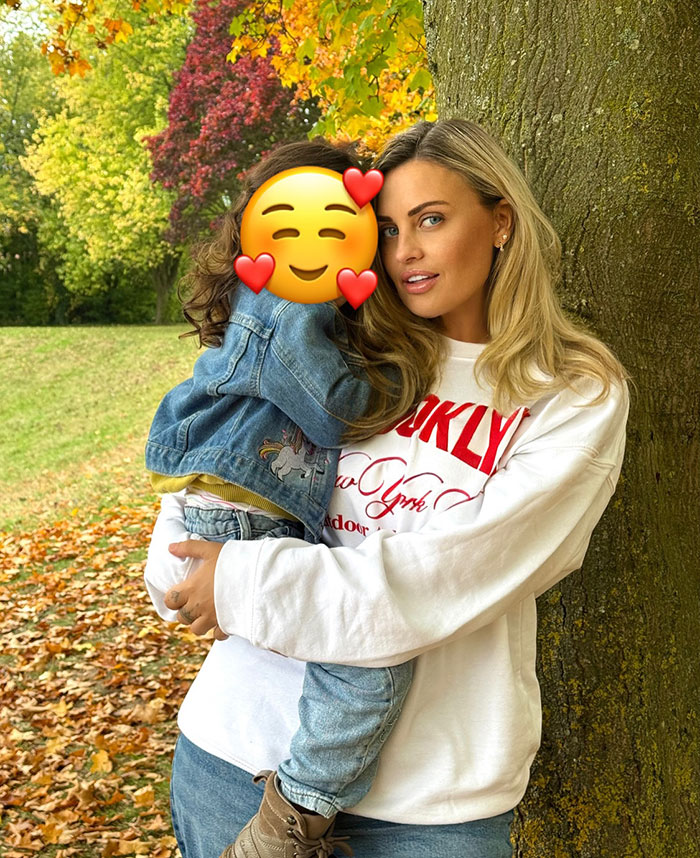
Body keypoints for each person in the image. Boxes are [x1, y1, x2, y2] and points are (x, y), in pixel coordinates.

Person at [144, 119, 630, 858]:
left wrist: (240, 582)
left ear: (500, 220)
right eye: (388, 229)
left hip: (433, 806)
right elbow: (216, 491)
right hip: (232, 755)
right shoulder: (347, 354)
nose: (406, 251)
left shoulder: (571, 392)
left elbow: (440, 577)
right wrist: (184, 567)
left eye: (431, 220)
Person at [145, 139, 419, 858]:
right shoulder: (291, 301)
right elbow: (332, 410)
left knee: (367, 636)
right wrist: (385, 392)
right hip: (225, 744)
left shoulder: (282, 305)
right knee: (371, 656)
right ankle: (295, 817)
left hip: (239, 515)